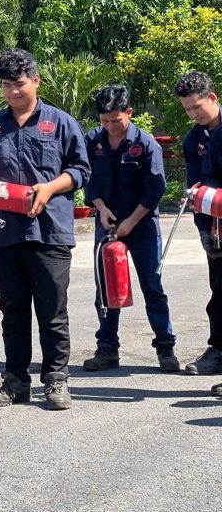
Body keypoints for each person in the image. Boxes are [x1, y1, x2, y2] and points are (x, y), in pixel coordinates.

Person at [0, 49, 90, 410]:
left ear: (36, 81)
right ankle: (15, 382)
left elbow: (81, 170)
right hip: (6, 232)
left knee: (53, 312)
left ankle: (56, 381)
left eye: (19, 84)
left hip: (49, 232)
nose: (13, 92)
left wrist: (50, 188)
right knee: (12, 310)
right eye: (7, 85)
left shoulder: (60, 123)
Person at [83, 84, 179, 373]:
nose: (110, 126)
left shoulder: (146, 144)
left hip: (142, 225)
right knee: (106, 288)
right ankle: (107, 350)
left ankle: (165, 348)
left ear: (129, 112)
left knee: (152, 286)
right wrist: (100, 209)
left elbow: (155, 190)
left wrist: (130, 222)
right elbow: (87, 178)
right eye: (105, 121)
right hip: (107, 223)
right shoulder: (93, 141)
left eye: (116, 119)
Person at [174, 72, 222, 382]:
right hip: (217, 224)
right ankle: (217, 351)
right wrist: (205, 229)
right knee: (219, 289)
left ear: (213, 98)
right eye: (187, 109)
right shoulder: (194, 140)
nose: (193, 114)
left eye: (197, 107)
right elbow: (200, 184)